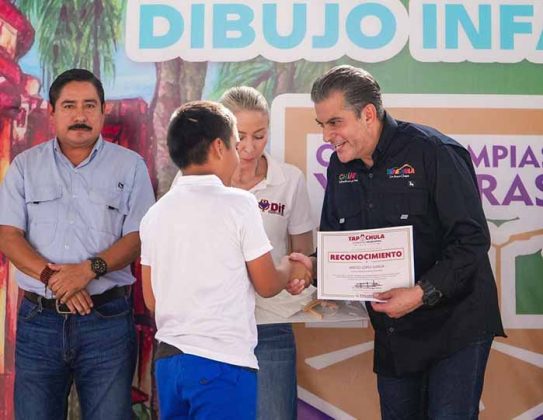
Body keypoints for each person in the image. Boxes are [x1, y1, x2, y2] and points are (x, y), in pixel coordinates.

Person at [308, 65, 505, 419]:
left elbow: (472, 239)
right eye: (321, 124)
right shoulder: (340, 167)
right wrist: (310, 266)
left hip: (455, 324)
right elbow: (337, 246)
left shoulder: (434, 150)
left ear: (368, 114)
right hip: (395, 333)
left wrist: (420, 293)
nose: (326, 136)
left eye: (335, 122)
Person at [139, 100, 311, 420]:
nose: (241, 152)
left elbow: (151, 299)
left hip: (169, 363)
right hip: (221, 363)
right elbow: (267, 284)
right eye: (235, 143)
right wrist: (290, 266)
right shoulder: (240, 205)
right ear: (219, 147)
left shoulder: (154, 215)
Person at [0, 68, 155, 419]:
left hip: (106, 322)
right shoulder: (25, 166)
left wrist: (88, 270)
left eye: (89, 105)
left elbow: (138, 236)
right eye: (69, 106)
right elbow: (8, 235)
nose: (80, 115)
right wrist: (56, 279)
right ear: (52, 112)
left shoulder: (130, 167)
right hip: (39, 321)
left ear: (103, 111)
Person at [219, 86, 315, 420]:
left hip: (271, 322)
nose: (249, 147)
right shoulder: (198, 178)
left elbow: (303, 253)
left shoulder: (289, 179)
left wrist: (300, 275)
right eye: (239, 136)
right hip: (215, 324)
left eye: (259, 136)